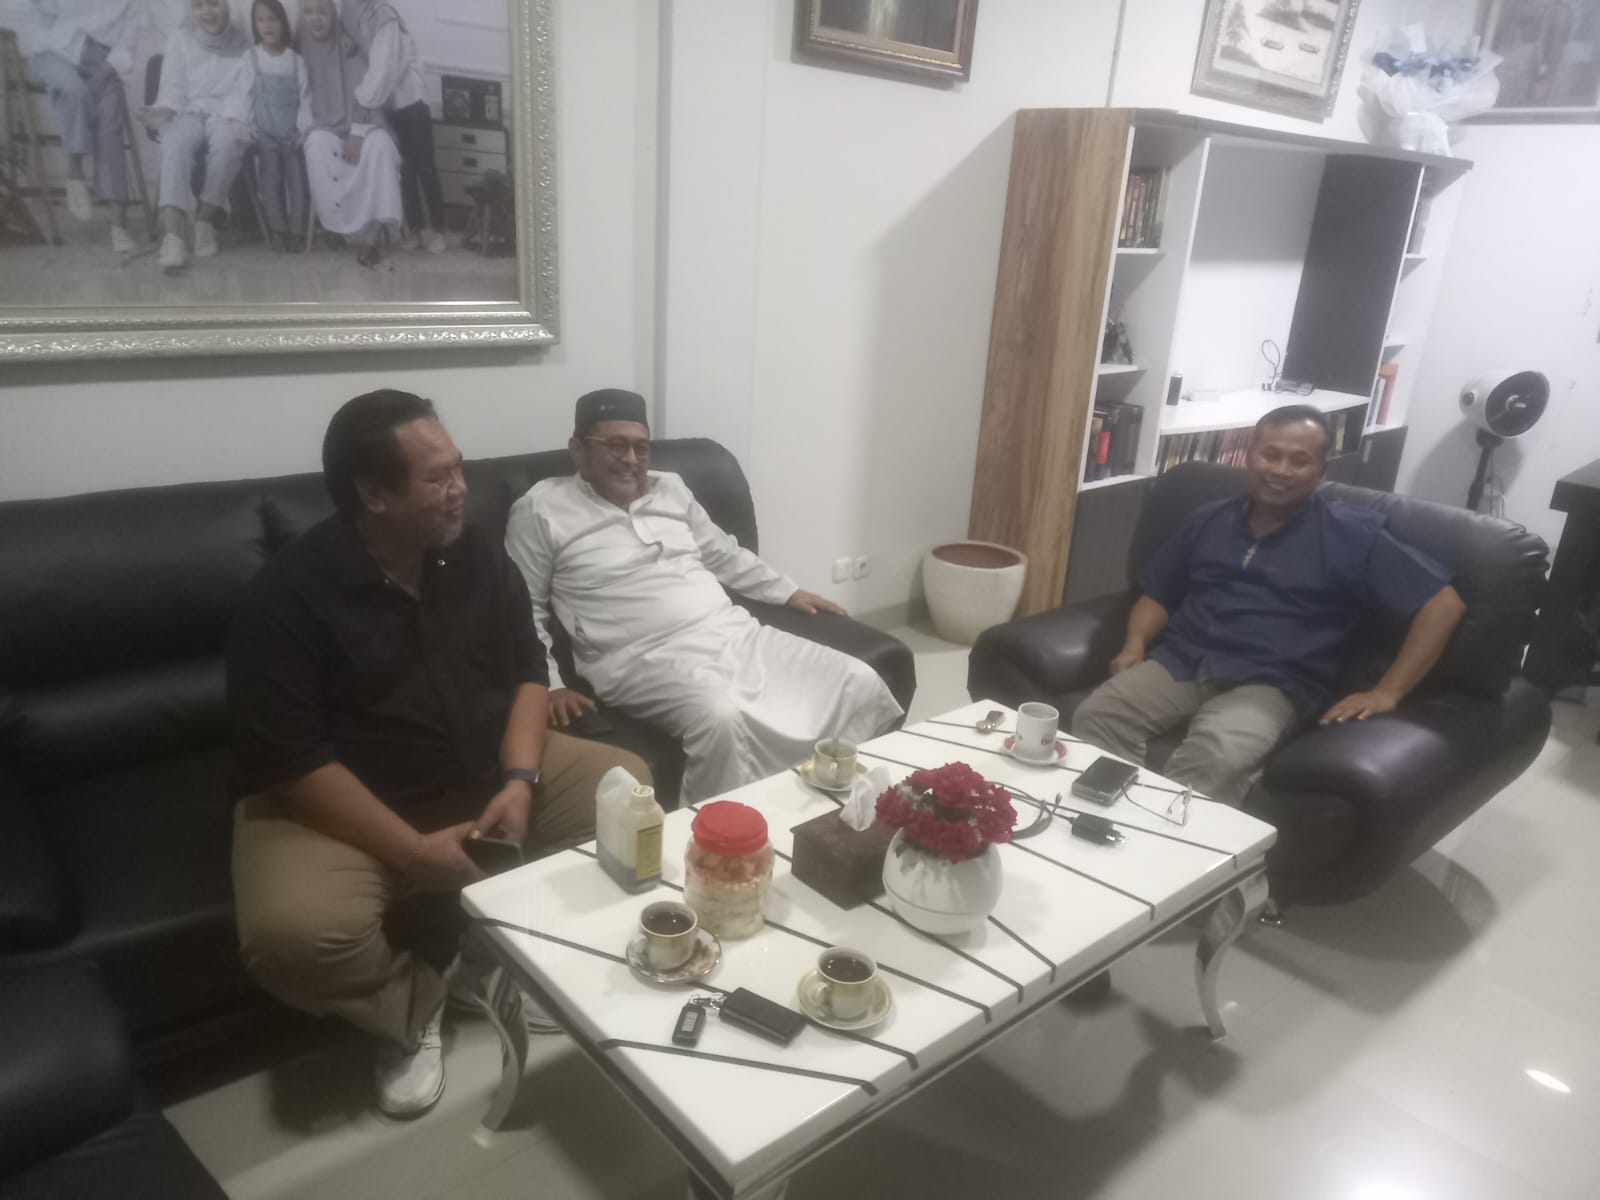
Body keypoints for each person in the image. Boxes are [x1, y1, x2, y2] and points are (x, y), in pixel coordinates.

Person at [228, 389, 649, 1117]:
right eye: (438, 478)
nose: (462, 489)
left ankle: (488, 961)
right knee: (292, 937)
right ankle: (412, 1007)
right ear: (374, 494)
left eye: (459, 468)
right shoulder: (286, 599)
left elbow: (527, 671)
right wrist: (412, 853)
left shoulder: (475, 553)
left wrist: (521, 779)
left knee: (625, 789)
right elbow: (293, 763)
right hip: (347, 803)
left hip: (480, 765)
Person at [504, 389, 904, 802]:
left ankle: (839, 804)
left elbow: (722, 553)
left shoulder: (671, 488)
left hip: (732, 633)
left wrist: (787, 592)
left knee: (857, 680)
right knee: (720, 718)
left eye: (641, 448)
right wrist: (550, 684)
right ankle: (723, 827)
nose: (631, 459)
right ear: (578, 449)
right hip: (637, 660)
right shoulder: (541, 509)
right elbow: (523, 607)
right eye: (616, 446)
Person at [1071, 404, 1466, 806]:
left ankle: (1169, 839)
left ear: (1321, 471)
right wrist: (1135, 643)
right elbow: (1159, 593)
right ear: (1249, 457)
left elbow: (1443, 605)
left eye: (1299, 460)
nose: (1281, 470)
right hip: (1184, 659)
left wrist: (1387, 692)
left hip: (1273, 682)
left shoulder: (1353, 535)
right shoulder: (1208, 519)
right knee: (1098, 715)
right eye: (1271, 455)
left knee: (1215, 757)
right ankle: (1110, 820)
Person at [2, 0, 134, 250]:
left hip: (104, 62)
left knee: (109, 128)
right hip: (55, 51)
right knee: (72, 90)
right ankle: (75, 174)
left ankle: (119, 225)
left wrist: (100, 77)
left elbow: (128, 42)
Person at [141, 0, 255, 273]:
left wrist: (232, 118)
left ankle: (204, 223)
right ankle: (173, 238)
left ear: (227, 6)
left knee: (229, 143)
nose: (207, 12)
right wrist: (162, 111)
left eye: (214, 4)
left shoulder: (243, 45)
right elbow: (173, 87)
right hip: (187, 110)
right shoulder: (180, 38)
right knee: (174, 142)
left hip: (225, 112)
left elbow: (242, 92)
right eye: (198, 5)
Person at [298, 0, 402, 266]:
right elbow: (304, 97)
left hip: (365, 121)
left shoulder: (355, 38)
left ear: (334, 13)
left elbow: (374, 85)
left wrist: (358, 129)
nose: (316, 18)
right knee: (315, 144)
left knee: (380, 145)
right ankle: (332, 226)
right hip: (326, 124)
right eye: (309, 12)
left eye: (322, 12)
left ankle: (373, 235)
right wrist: (310, 126)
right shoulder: (302, 45)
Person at [341, 0, 445, 253]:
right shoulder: (356, 14)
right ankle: (416, 228)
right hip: (390, 105)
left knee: (424, 166)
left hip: (412, 100)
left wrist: (362, 102)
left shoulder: (385, 17)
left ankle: (437, 230)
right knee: (405, 168)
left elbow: (383, 69)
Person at [247, 0, 307, 252]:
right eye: (261, 20)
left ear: (283, 23)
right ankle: (278, 229)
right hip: (265, 134)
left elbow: (306, 99)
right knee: (269, 178)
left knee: (297, 178)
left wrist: (301, 130)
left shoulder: (295, 61)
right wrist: (250, 127)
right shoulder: (251, 58)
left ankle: (297, 230)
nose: (267, 25)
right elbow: (245, 96)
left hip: (291, 134)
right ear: (255, 25)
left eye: (273, 19)